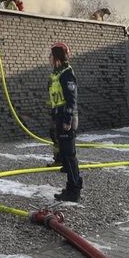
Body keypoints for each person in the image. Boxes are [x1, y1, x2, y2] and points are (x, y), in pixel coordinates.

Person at [48, 41, 83, 202]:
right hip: (60, 115)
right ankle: (70, 187)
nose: (49, 58)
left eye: (51, 55)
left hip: (67, 117)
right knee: (66, 156)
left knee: (69, 156)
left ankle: (74, 190)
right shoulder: (57, 74)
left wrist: (67, 120)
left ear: (57, 57)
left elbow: (71, 99)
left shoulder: (66, 74)